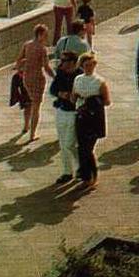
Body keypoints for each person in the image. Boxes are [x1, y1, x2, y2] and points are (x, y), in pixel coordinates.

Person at [72, 52, 110, 188]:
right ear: (82, 66)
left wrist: (93, 101)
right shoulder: (78, 79)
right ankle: (86, 175)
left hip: (94, 117)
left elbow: (107, 101)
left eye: (92, 65)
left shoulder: (100, 81)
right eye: (86, 65)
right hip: (81, 115)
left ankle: (91, 176)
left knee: (88, 148)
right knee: (82, 147)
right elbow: (73, 97)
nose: (89, 67)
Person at [15, 24, 55, 142]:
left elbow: (18, 61)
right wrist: (55, 77)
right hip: (37, 78)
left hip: (26, 77)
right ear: (41, 34)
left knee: (28, 102)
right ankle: (33, 134)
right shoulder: (42, 48)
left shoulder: (27, 45)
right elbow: (46, 67)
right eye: (46, 34)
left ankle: (26, 126)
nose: (47, 37)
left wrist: (21, 69)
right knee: (36, 106)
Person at [49, 52, 81, 185]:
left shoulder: (80, 75)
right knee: (63, 144)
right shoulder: (61, 73)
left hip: (75, 113)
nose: (62, 64)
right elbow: (53, 89)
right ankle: (67, 172)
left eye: (65, 61)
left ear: (73, 62)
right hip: (62, 110)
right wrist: (60, 93)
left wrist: (73, 96)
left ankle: (81, 166)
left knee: (69, 144)